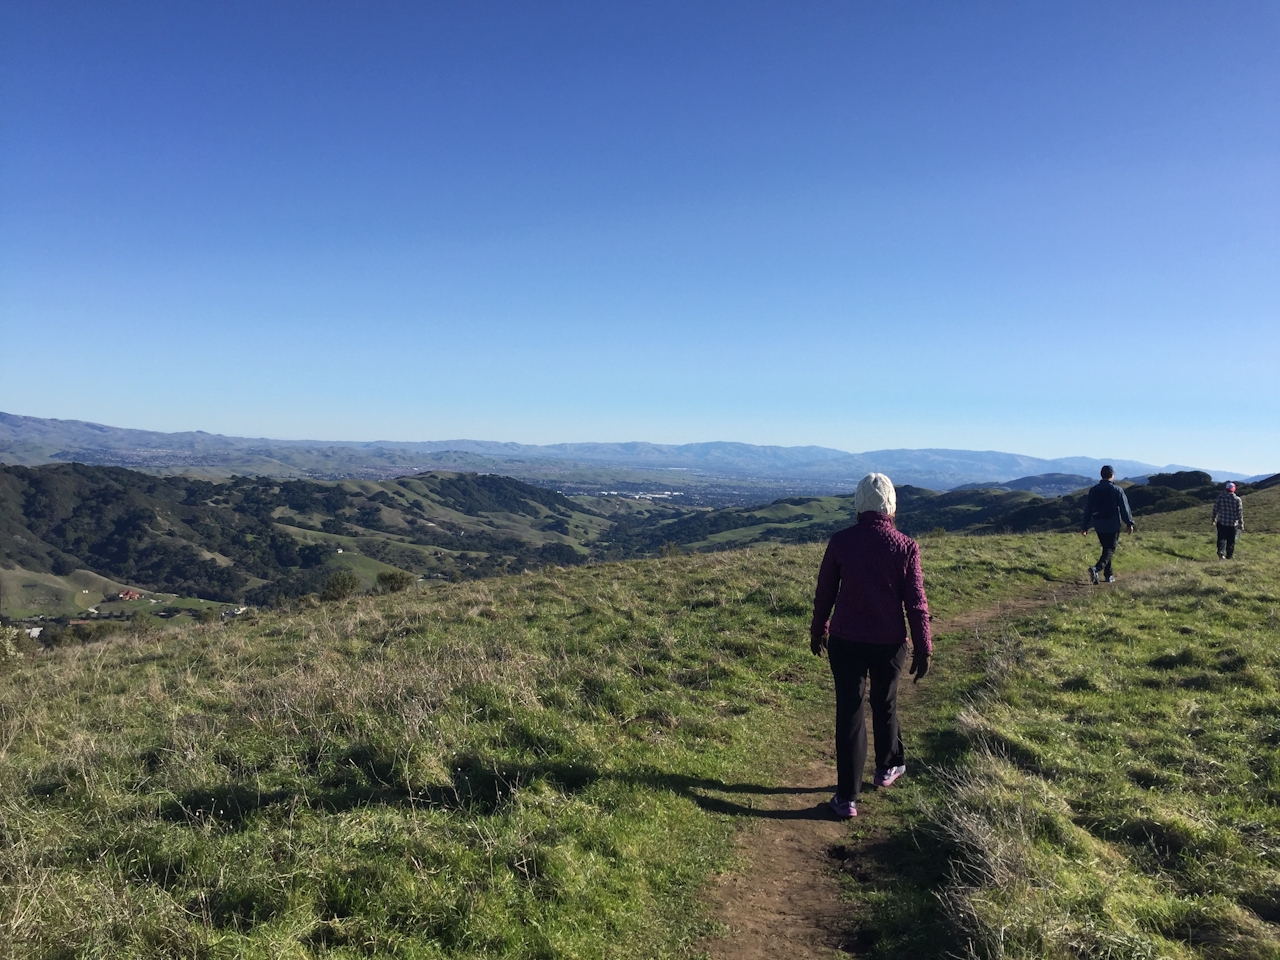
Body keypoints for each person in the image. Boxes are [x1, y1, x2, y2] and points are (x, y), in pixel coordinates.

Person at [810, 473, 931, 819]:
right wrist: (923, 645)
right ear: (891, 506)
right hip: (889, 642)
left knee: (849, 711)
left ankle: (846, 797)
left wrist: (818, 630)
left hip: (845, 640)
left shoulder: (841, 542)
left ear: (859, 505)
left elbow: (825, 595)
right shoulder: (906, 546)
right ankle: (887, 767)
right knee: (885, 701)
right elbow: (916, 602)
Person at [1080, 465, 1135, 584]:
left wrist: (1085, 526)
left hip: (1098, 523)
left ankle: (1108, 575)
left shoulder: (1094, 490)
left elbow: (1088, 509)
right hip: (1113, 523)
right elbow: (1124, 508)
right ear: (1112, 475)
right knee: (1110, 549)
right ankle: (1096, 569)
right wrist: (1129, 523)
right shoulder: (1117, 490)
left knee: (1106, 549)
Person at [1211, 481, 1244, 559]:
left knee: (1221, 538)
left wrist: (1213, 518)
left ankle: (1221, 552)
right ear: (1234, 489)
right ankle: (1229, 556)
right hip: (1232, 524)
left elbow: (1215, 509)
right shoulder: (1237, 499)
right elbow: (1239, 513)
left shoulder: (1220, 497)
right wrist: (1241, 523)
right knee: (1231, 540)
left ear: (1226, 489)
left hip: (1221, 522)